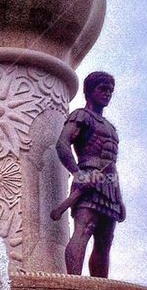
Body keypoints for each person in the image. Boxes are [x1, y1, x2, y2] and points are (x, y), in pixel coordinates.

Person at [53, 72, 125, 278]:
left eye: (110, 90)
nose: (107, 93)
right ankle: (74, 285)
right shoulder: (81, 116)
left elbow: (112, 165)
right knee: (84, 230)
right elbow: (62, 144)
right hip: (88, 178)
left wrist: (119, 199)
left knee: (105, 241)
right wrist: (77, 173)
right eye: (103, 89)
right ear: (89, 90)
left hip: (109, 186)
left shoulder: (111, 128)